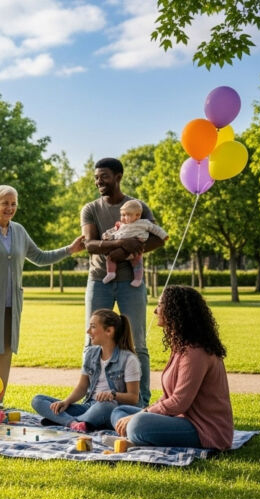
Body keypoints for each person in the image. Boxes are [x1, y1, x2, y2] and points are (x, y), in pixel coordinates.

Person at [0, 184, 84, 404]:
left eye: (13, 203)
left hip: (11, 306)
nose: (10, 208)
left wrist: (69, 250)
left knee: (3, 357)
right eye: (5, 203)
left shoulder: (19, 230)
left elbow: (39, 257)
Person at [82, 158, 166, 406]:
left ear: (118, 177)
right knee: (92, 342)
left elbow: (158, 238)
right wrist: (120, 244)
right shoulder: (90, 209)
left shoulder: (138, 206)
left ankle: (141, 401)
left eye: (104, 176)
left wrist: (128, 254)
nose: (99, 181)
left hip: (132, 283)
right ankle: (90, 398)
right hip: (99, 281)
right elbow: (90, 244)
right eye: (96, 177)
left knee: (138, 343)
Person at [110, 286, 234, 450]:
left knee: (138, 423)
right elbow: (169, 397)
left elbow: (178, 403)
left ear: (175, 310)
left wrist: (141, 415)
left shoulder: (195, 352)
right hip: (181, 419)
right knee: (119, 411)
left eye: (160, 305)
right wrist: (143, 411)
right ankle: (138, 435)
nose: (155, 311)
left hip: (206, 430)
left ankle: (137, 435)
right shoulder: (182, 346)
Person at [31, 309, 141, 432]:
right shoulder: (90, 354)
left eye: (93, 327)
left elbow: (133, 398)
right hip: (87, 407)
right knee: (38, 400)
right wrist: (66, 402)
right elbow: (82, 387)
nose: (88, 331)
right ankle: (74, 423)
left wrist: (113, 395)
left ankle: (62, 420)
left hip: (110, 408)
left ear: (109, 331)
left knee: (105, 407)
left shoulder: (129, 359)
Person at [100, 200, 169, 287]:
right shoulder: (120, 225)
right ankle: (111, 273)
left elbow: (155, 229)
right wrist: (106, 235)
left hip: (136, 247)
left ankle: (138, 279)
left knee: (137, 263)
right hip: (120, 245)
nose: (123, 217)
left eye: (127, 215)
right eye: (122, 215)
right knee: (110, 257)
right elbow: (112, 231)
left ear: (137, 216)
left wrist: (164, 235)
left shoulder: (143, 223)